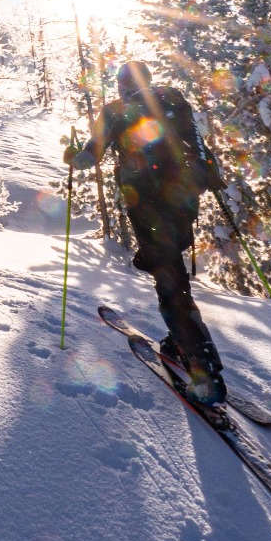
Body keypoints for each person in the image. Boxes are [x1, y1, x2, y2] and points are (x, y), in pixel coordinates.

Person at [67, 59, 228, 405]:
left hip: (147, 201)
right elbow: (196, 142)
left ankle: (204, 368)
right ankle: (182, 341)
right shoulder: (172, 98)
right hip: (182, 198)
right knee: (172, 270)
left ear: (121, 85)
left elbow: (91, 154)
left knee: (169, 275)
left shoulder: (115, 109)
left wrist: (74, 156)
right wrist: (210, 171)